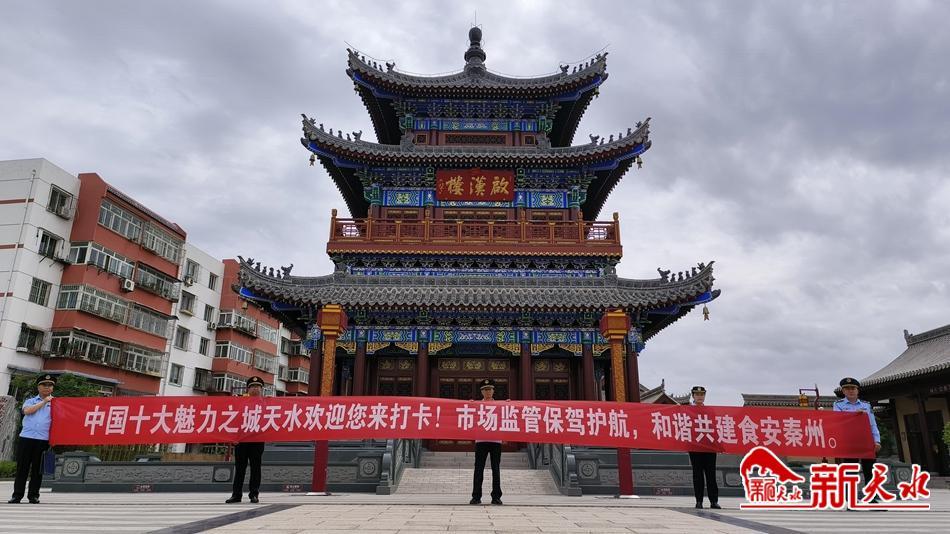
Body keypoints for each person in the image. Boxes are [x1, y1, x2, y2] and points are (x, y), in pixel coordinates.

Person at [8, 374, 56, 504]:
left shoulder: (56, 403)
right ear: (38, 387)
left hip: (43, 439)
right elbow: (27, 411)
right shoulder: (30, 401)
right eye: (44, 385)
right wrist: (44, 402)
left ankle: (34, 495)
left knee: (37, 469)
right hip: (26, 438)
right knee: (22, 468)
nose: (47, 387)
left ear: (53, 388)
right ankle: (17, 495)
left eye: (50, 385)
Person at [834, 377, 881, 500]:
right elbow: (839, 420)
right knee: (850, 470)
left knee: (870, 470)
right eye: (847, 389)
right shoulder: (838, 405)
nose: (850, 391)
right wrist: (855, 415)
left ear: (857, 390)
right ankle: (851, 499)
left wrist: (877, 441)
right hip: (849, 442)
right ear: (843, 391)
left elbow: (873, 424)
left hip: (866, 441)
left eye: (853, 388)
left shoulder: (866, 405)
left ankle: (872, 498)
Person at [226, 376, 266, 504]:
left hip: (257, 439)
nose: (255, 389)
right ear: (248, 389)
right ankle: (236, 494)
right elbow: (234, 420)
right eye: (252, 387)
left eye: (258, 387)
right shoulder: (241, 403)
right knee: (240, 468)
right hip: (241, 440)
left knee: (256, 468)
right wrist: (233, 437)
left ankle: (254, 494)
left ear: (261, 389)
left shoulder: (266, 404)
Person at [470, 378, 503, 505]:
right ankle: (476, 496)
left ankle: (496, 496)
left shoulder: (501, 405)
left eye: (489, 389)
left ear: (493, 391)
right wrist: (469, 406)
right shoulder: (476, 405)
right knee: (478, 469)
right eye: (485, 390)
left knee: (496, 469)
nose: (487, 392)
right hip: (481, 440)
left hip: (496, 440)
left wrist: (509, 405)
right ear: (481, 392)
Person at [688, 385, 720, 509]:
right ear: (693, 396)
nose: (700, 397)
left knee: (711, 474)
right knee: (697, 475)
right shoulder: (688, 411)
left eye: (702, 394)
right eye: (697, 394)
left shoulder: (710, 411)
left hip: (709, 446)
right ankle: (699, 501)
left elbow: (715, 427)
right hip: (695, 446)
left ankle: (714, 501)